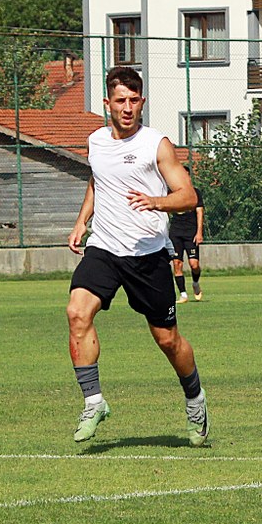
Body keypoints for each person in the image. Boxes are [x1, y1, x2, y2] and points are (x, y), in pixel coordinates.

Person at [66, 66, 210, 447]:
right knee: (77, 312)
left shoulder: (156, 144)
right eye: (120, 101)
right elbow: (99, 181)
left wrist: (156, 201)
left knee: (167, 340)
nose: (127, 108)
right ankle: (94, 401)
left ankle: (195, 399)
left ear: (142, 102)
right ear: (107, 104)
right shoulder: (96, 141)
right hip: (105, 249)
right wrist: (82, 221)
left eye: (134, 101)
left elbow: (189, 196)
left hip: (147, 256)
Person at [170, 165, 205, 302]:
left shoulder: (195, 193)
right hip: (175, 232)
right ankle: (183, 294)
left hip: (191, 233)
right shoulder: (171, 192)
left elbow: (200, 212)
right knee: (177, 263)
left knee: (194, 264)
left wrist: (199, 232)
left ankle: (195, 283)